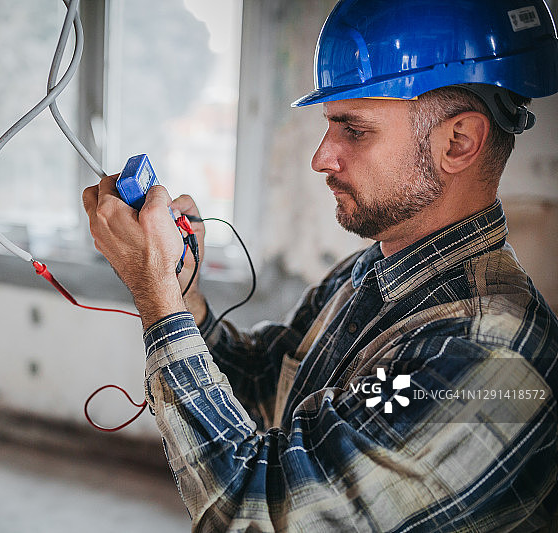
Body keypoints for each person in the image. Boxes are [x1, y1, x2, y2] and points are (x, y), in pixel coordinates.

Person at [83, 0, 558, 531]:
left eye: (353, 129)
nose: (320, 157)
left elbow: (257, 513)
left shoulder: (487, 354)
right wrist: (181, 293)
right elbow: (263, 387)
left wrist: (156, 300)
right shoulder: (372, 272)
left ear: (459, 142)